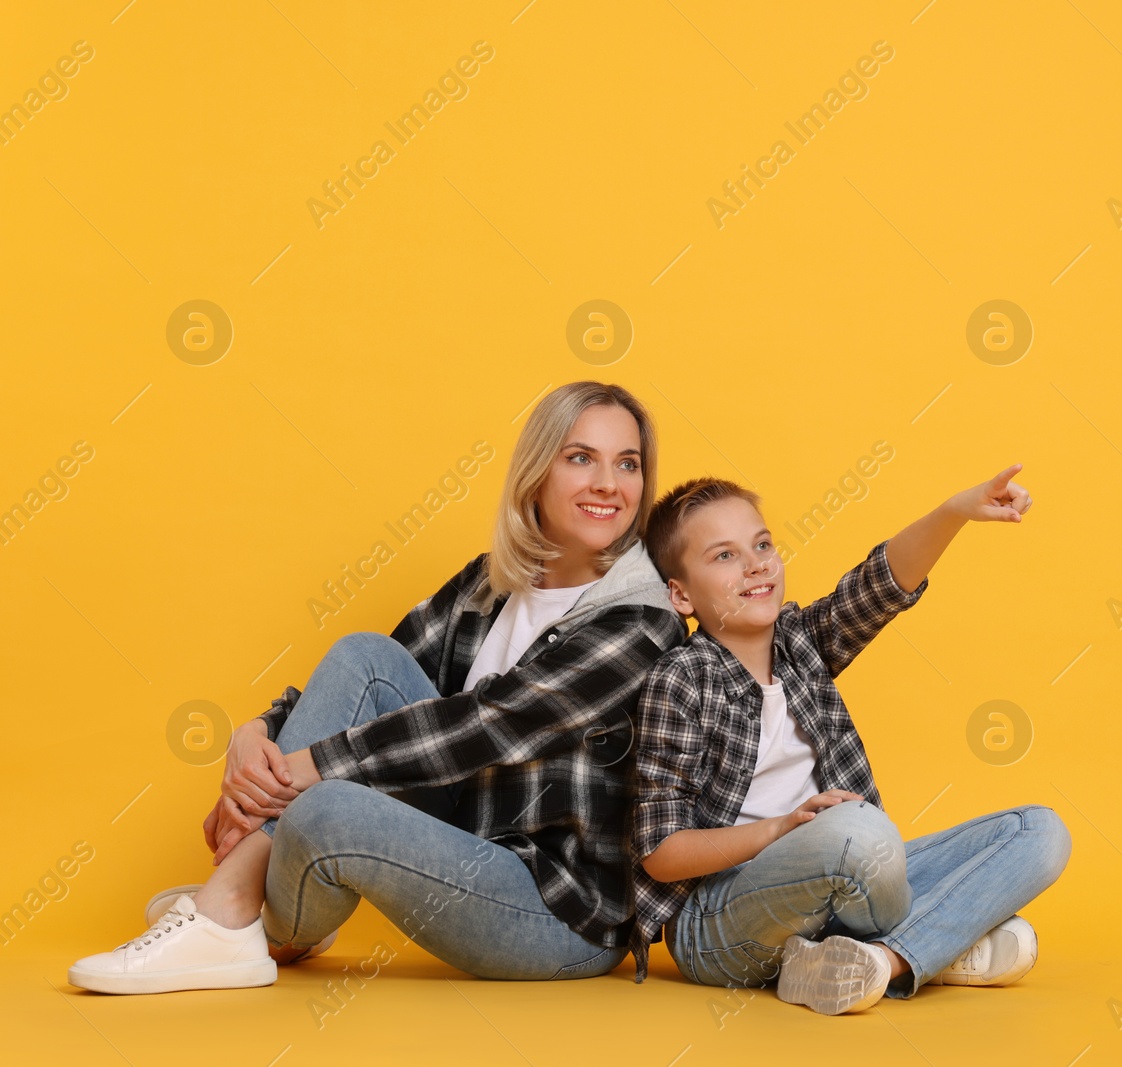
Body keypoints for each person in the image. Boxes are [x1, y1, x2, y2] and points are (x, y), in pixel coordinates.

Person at [68, 381, 688, 994]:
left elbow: (494, 725)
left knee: (327, 805)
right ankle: (245, 909)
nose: (609, 483)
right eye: (581, 457)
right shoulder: (492, 583)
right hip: (462, 830)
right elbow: (369, 686)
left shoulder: (642, 621)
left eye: (627, 464)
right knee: (364, 653)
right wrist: (256, 734)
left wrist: (302, 771)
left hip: (555, 913)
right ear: (536, 473)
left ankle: (233, 905)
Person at [628, 466, 1071, 1015]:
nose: (756, 564)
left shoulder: (800, 646)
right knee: (860, 833)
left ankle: (879, 962)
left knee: (1041, 831)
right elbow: (660, 854)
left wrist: (956, 509)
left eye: (762, 544)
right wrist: (783, 829)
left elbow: (882, 585)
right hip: (719, 924)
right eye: (724, 556)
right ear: (682, 594)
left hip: (845, 884)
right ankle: (938, 942)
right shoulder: (681, 679)